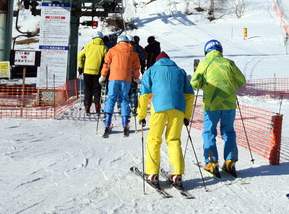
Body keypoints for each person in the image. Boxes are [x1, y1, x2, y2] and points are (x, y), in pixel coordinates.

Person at [136, 51, 195, 190]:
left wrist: (141, 115)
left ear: (157, 61)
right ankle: (176, 174)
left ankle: (152, 174)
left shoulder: (151, 71)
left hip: (159, 108)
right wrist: (187, 116)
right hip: (178, 108)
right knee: (174, 140)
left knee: (154, 139)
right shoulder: (180, 71)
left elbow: (144, 94)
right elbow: (189, 95)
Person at [191, 39, 248, 176]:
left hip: (212, 104)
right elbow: (241, 81)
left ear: (206, 51)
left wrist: (202, 82)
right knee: (229, 132)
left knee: (210, 132)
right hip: (229, 104)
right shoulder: (229, 63)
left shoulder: (204, 64)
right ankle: (230, 162)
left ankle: (211, 162)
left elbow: (194, 84)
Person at [100, 35, 143, 137]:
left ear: (118, 41)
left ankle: (107, 123)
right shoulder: (132, 52)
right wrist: (137, 78)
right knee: (124, 99)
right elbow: (137, 67)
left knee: (111, 99)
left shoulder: (112, 50)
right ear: (127, 42)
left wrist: (103, 75)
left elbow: (106, 63)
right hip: (126, 79)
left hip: (113, 78)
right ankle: (125, 124)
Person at [76, 32, 106, 115]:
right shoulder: (104, 48)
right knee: (97, 89)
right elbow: (107, 60)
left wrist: (81, 66)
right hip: (97, 72)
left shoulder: (87, 46)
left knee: (88, 89)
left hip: (87, 71)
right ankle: (97, 105)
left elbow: (79, 56)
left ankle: (87, 106)